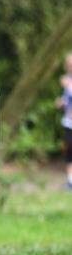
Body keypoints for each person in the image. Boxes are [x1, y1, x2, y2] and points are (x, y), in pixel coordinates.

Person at [55, 52, 72, 190]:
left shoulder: (67, 83)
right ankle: (70, 180)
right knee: (69, 150)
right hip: (68, 121)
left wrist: (69, 87)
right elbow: (65, 100)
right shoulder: (65, 80)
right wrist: (60, 102)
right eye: (68, 64)